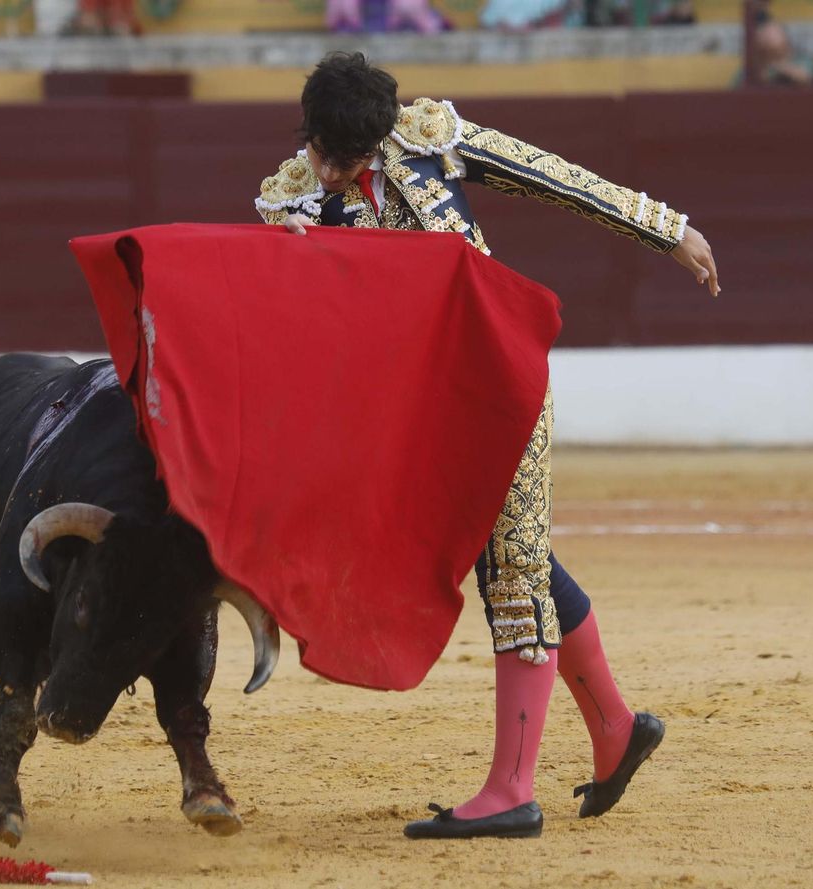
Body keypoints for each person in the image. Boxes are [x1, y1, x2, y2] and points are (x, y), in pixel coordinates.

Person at [254, 51, 719, 839]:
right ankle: (613, 725)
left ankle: (512, 789)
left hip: (496, 383)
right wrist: (286, 250)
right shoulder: (286, 200)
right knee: (512, 554)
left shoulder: (431, 137)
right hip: (415, 415)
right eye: (324, 153)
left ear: (379, 140)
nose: (332, 173)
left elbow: (556, 179)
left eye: (350, 159)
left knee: (511, 568)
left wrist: (666, 228)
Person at [735, 21, 813, 87]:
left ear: (786, 38)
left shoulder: (803, 60)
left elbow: (806, 77)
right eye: (763, 35)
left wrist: (778, 68)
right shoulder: (752, 67)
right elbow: (736, 90)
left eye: (771, 34)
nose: (766, 38)